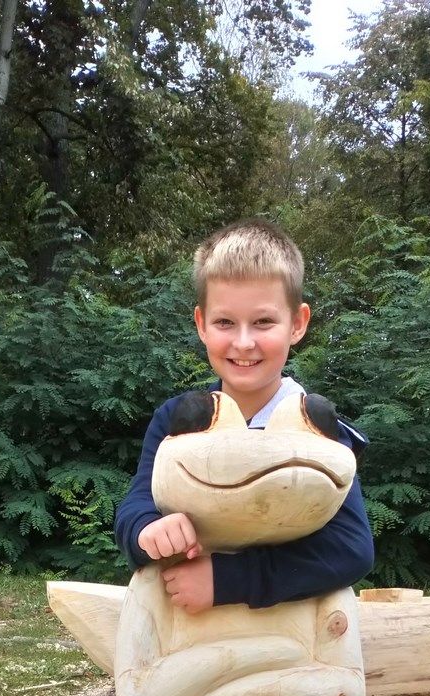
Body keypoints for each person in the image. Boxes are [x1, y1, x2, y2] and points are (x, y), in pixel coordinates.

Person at [114, 218, 374, 612]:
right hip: (192, 630)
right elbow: (134, 507)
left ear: (298, 323)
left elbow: (352, 548)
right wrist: (147, 530)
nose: (244, 342)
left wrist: (225, 580)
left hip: (289, 634)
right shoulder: (179, 420)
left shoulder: (314, 427)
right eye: (224, 322)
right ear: (201, 324)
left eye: (263, 322)